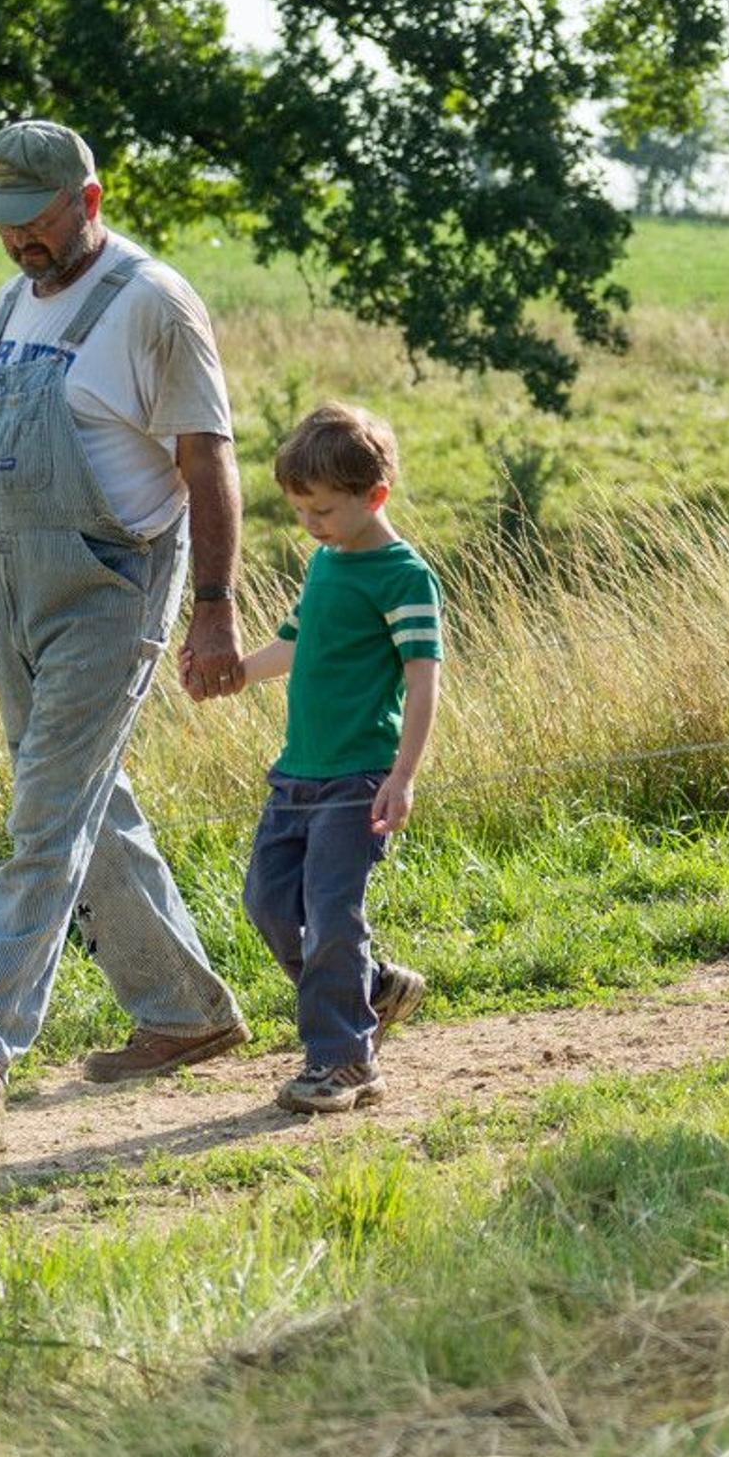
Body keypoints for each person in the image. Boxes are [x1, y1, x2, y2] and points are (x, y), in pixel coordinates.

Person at [0, 119, 253, 1124]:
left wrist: (215, 610)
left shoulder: (153, 305)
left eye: (34, 218)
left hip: (113, 587)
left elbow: (208, 464)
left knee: (45, 816)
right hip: (16, 587)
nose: (18, 240)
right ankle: (185, 1012)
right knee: (82, 803)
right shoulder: (12, 304)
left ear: (88, 201)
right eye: (2, 223)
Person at [227, 400, 440, 1113]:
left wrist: (402, 777)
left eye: (322, 510)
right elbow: (294, 644)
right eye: (300, 510)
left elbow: (421, 681)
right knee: (266, 902)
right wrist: (232, 674)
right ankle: (369, 989)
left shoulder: (404, 578)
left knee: (332, 915)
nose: (311, 525)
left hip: (356, 779)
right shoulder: (326, 563)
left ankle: (345, 1061)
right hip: (296, 775)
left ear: (373, 496)